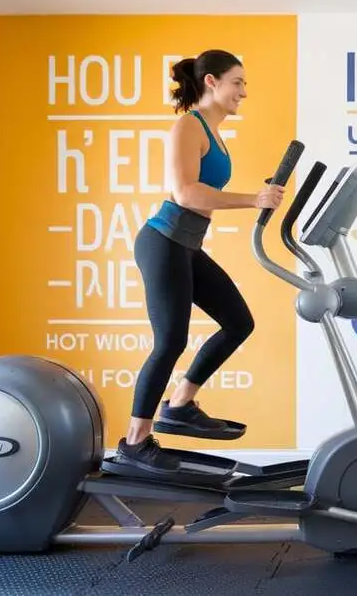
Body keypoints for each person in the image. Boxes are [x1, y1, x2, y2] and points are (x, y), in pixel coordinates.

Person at [116, 49, 285, 474]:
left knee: (238, 322)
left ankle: (180, 404)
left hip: (186, 245)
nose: (243, 92)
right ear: (211, 81)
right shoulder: (188, 126)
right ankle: (135, 442)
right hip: (164, 240)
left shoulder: (214, 132)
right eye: (237, 82)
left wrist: (258, 196)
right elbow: (186, 194)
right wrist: (253, 199)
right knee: (170, 340)